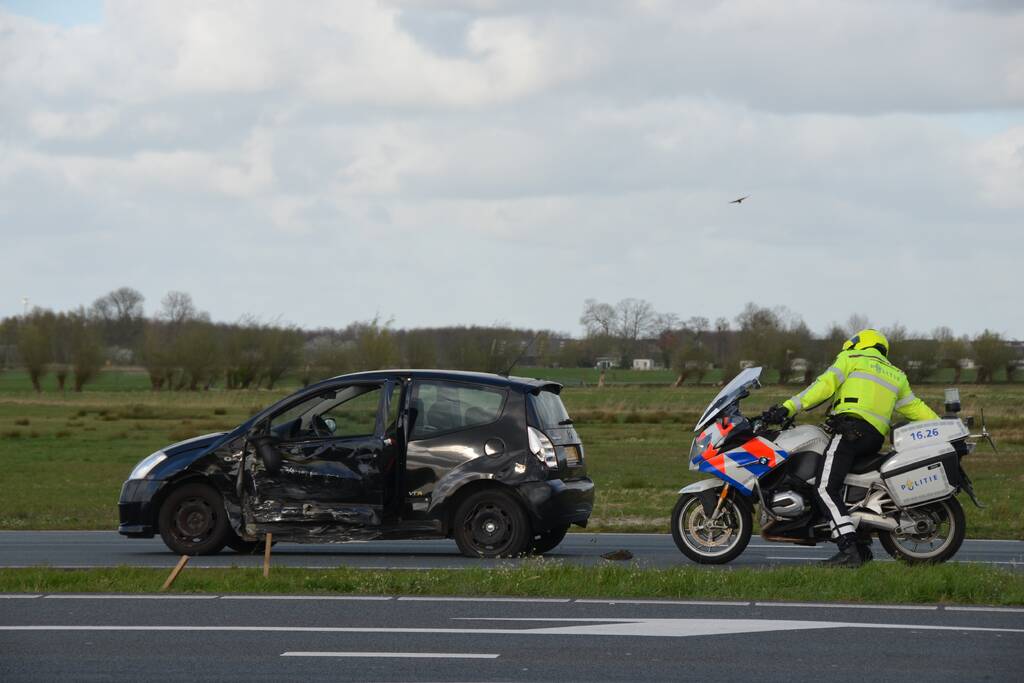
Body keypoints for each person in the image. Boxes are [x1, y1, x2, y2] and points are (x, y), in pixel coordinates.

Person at [760, 329, 939, 567]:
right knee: (840, 484)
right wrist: (943, 425)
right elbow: (915, 408)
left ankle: (848, 547)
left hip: (850, 433)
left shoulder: (851, 359)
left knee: (824, 489)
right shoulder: (896, 374)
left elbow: (821, 387)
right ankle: (862, 546)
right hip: (873, 438)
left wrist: (788, 408)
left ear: (859, 343)